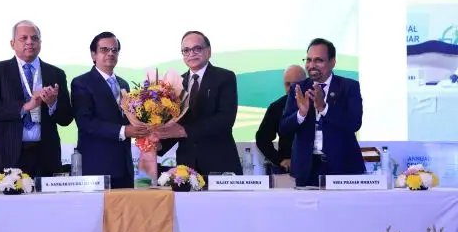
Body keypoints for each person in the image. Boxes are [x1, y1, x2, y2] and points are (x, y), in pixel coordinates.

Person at [0, 20, 74, 186]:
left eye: (34, 38)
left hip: (45, 156)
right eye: (23, 38)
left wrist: (52, 104)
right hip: (5, 153)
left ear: (40, 43)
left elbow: (66, 118)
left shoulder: (56, 73)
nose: (30, 42)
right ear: (12, 43)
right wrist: (25, 107)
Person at [156, 31, 242, 177]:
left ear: (208, 51)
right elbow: (176, 125)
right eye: (186, 50)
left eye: (197, 48)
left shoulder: (224, 77)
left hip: (219, 162)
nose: (191, 54)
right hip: (186, 165)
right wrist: (158, 144)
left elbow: (225, 119)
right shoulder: (176, 84)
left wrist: (185, 131)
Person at [280, 38, 365, 186]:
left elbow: (354, 123)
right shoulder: (298, 89)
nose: (311, 65)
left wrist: (324, 108)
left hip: (342, 167)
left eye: (318, 60)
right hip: (306, 169)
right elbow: (283, 128)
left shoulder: (349, 87)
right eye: (308, 60)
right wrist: (301, 114)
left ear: (332, 62)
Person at [70, 32, 149, 188]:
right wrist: (124, 131)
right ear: (93, 54)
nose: (111, 53)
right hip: (96, 167)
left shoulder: (123, 84)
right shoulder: (81, 83)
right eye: (104, 49)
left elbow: (128, 118)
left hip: (124, 167)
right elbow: (85, 122)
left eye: (114, 50)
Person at [255, 65, 306, 174]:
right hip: (287, 170)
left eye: (295, 84)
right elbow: (262, 138)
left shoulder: (316, 104)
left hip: (317, 167)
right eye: (288, 84)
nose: (291, 88)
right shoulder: (276, 107)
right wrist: (279, 160)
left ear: (306, 83)